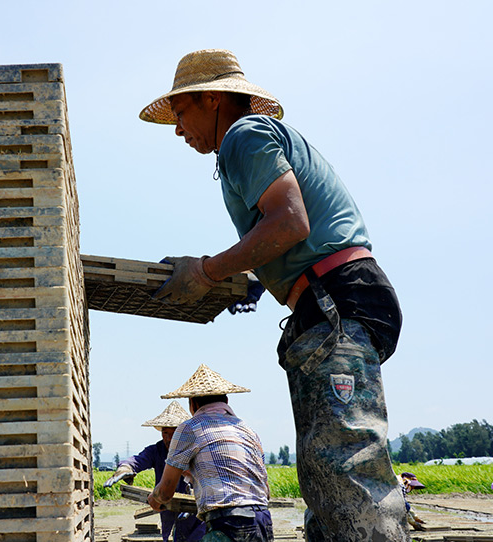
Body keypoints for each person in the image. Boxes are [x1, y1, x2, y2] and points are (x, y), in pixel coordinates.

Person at [140, 49, 409, 541]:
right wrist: (253, 279)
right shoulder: (246, 146)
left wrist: (205, 271)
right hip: (328, 302)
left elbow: (289, 222)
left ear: (213, 98)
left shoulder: (244, 134)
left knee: (346, 474)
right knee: (326, 480)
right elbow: (292, 236)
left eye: (181, 113)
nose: (178, 128)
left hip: (337, 303)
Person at [147, 364, 272, 541]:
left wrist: (155, 498)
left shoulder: (189, 428)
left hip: (228, 522)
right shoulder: (248, 431)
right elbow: (265, 491)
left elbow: (166, 492)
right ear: (226, 401)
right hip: (262, 519)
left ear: (193, 403)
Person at [104, 401, 206, 542]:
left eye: (174, 433)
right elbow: (138, 460)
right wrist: (125, 468)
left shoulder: (195, 449)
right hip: (167, 510)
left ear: (183, 433)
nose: (169, 438)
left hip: (196, 513)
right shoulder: (157, 450)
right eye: (165, 433)